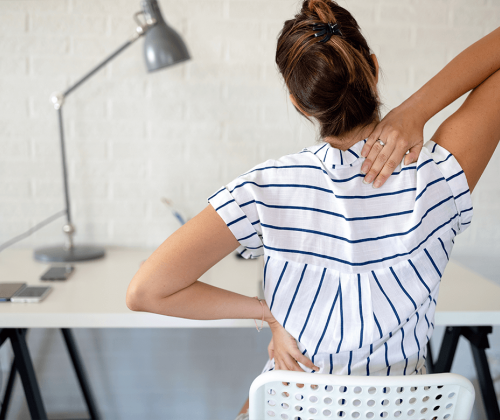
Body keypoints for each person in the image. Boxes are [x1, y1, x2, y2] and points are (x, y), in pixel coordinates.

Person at [126, 0, 500, 418]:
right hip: (400, 408)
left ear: (299, 103)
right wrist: (416, 110)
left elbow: (145, 291)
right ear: (373, 68)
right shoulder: (437, 176)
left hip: (298, 406)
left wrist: (268, 313)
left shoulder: (264, 190)